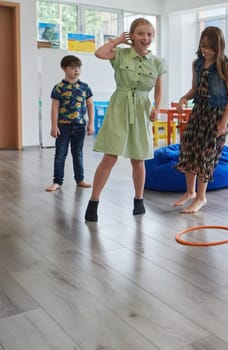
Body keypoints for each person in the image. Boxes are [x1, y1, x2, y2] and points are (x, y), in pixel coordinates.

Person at [84, 18, 166, 222]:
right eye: (140, 33)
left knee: (138, 159)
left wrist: (156, 107)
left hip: (141, 109)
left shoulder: (157, 62)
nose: (145, 38)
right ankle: (94, 201)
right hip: (119, 106)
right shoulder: (120, 54)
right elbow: (99, 53)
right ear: (132, 35)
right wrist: (117, 40)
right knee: (109, 157)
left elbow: (158, 90)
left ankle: (139, 200)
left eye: (149, 34)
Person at [173, 26, 228, 213]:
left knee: (205, 155)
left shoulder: (225, 65)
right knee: (188, 149)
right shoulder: (197, 64)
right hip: (198, 112)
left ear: (218, 47)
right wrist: (184, 98)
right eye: (203, 46)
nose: (205, 50)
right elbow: (195, 89)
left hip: (216, 115)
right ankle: (190, 192)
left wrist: (223, 122)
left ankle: (201, 197)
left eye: (210, 47)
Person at [45, 55, 95, 192]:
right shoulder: (59, 88)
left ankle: (80, 179)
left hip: (80, 125)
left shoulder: (85, 87)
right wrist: (54, 126)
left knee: (77, 153)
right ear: (64, 69)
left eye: (78, 67)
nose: (76, 70)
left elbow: (90, 106)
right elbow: (54, 107)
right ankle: (57, 181)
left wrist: (91, 124)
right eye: (72, 68)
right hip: (63, 125)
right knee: (61, 153)